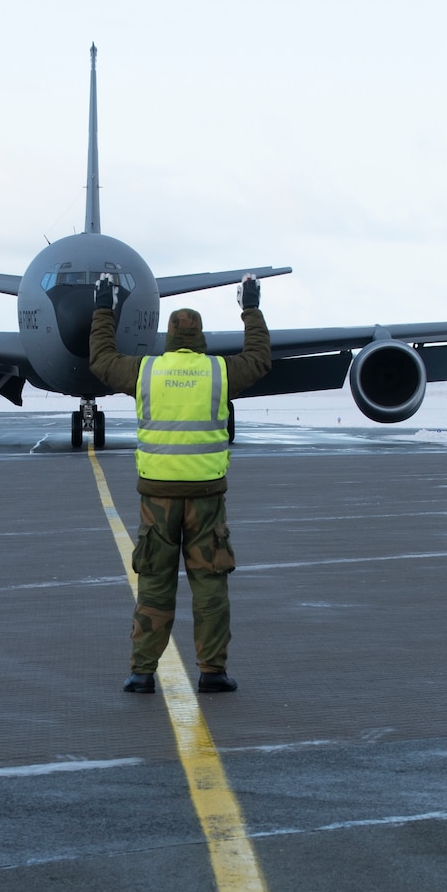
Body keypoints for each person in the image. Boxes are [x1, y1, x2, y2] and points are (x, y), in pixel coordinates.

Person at [89, 274, 271, 694]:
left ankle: (142, 673)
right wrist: (251, 308)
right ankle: (212, 671)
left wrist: (104, 308)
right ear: (201, 337)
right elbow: (259, 358)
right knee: (210, 583)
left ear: (168, 336)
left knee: (154, 581)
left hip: (157, 497)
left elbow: (101, 359)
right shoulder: (219, 373)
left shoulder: (146, 372)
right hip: (206, 497)